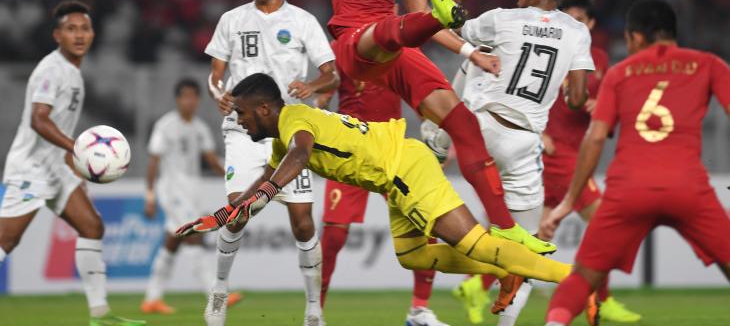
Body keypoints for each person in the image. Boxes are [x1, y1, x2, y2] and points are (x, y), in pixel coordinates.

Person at [313, 0, 553, 253]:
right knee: (390, 28)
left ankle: (505, 226)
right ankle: (444, 9)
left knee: (463, 124)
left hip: (396, 46)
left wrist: (471, 50)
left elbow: (417, 16)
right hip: (354, 42)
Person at [176, 73, 575, 297]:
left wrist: (263, 195)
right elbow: (269, 175)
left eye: (243, 114)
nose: (240, 121)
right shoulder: (284, 132)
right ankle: (507, 272)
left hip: (401, 168)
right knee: (414, 256)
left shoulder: (293, 120)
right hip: (396, 169)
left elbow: (300, 156)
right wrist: (224, 213)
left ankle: (575, 281)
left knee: (478, 244)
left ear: (265, 108)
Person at [422, 0, 595, 326]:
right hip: (523, 144)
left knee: (472, 58)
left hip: (481, 128)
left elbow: (451, 29)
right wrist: (567, 94)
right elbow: (578, 97)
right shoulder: (578, 32)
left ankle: (435, 136)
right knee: (526, 250)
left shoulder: (503, 19)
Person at [541, 0, 730, 326]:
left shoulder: (619, 73)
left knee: (582, 277)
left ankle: (555, 323)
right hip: (688, 188)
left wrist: (567, 201)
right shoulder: (708, 64)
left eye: (628, 40)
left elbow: (596, 138)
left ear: (638, 38)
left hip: (628, 191)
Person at [204, 0, 338, 326]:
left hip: (288, 132)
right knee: (237, 212)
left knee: (303, 223)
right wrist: (218, 94)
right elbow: (215, 76)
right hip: (243, 130)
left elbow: (331, 73)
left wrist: (313, 86)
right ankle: (218, 291)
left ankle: (313, 309)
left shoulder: (302, 21)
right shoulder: (231, 20)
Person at [0, 1, 145, 326]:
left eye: (84, 28)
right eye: (71, 29)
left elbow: (60, 130)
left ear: (92, 33)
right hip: (31, 169)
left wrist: (73, 164)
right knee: (6, 240)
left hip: (56, 169)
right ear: (57, 35)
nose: (79, 35)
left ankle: (100, 315)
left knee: (92, 227)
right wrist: (79, 148)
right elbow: (40, 120)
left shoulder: (74, 74)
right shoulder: (52, 70)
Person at [315, 66, 448, 326]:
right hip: (348, 149)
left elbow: (418, 99)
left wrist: (435, 139)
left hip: (391, 150)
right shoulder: (340, 47)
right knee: (333, 237)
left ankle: (419, 311)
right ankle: (314, 313)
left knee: (425, 225)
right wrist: (319, 104)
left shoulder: (397, 50)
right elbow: (324, 94)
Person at [539, 0, 640, 323]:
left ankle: (478, 285)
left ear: (592, 23)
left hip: (577, 152)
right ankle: (603, 300)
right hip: (558, 154)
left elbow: (602, 108)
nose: (574, 26)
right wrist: (537, 133)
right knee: (601, 226)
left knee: (536, 232)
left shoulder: (598, 58)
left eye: (580, 20)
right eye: (569, 20)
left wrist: (601, 111)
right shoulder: (549, 51)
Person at [140, 78, 235, 314]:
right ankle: (215, 294)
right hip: (172, 189)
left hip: (192, 189)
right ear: (177, 99)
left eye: (194, 96)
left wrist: (233, 178)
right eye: (185, 96)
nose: (190, 101)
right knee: (194, 235)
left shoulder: (199, 127)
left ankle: (152, 298)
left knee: (172, 242)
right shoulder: (165, 125)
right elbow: (154, 160)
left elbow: (211, 159)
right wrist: (150, 195)